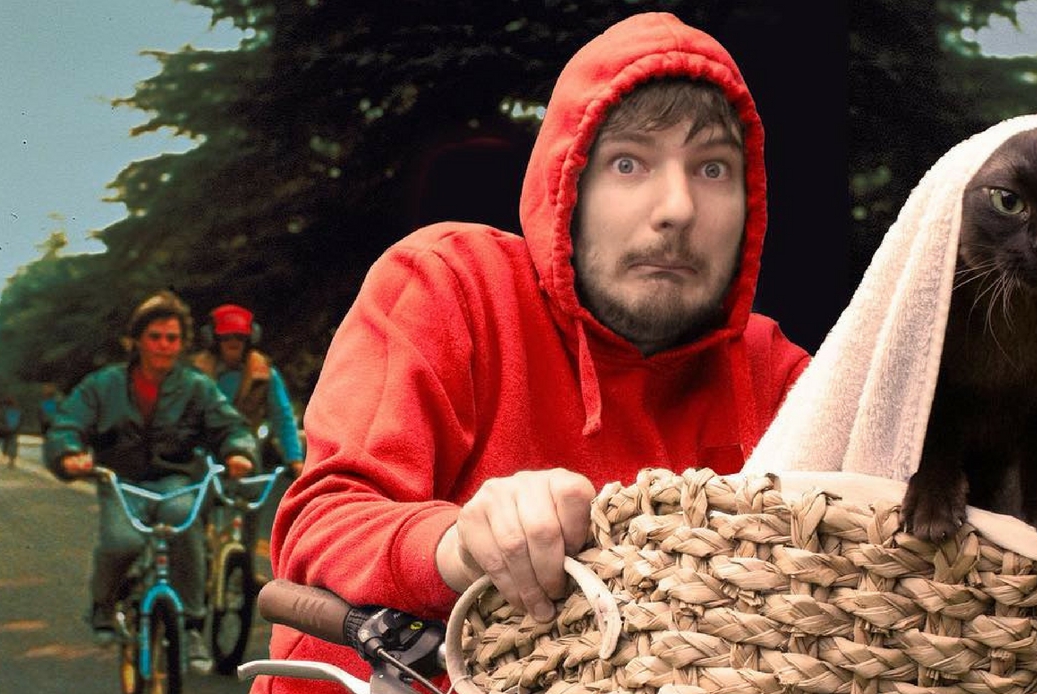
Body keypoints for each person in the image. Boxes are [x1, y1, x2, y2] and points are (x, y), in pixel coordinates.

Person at [257, 12, 811, 693]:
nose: (678, 208)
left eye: (713, 168)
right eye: (629, 163)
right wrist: (459, 545)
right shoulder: (449, 284)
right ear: (566, 186)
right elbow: (321, 521)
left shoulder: (777, 372)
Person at [44, 290, 259, 675]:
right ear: (136, 341)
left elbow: (231, 426)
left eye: (172, 338)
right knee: (122, 541)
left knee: (184, 526)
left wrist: (238, 452)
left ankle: (191, 626)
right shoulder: (103, 384)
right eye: (155, 336)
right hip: (121, 481)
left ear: (182, 343)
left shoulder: (197, 386)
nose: (164, 345)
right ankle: (103, 606)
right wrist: (68, 453)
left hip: (176, 479)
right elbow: (67, 424)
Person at [190, 303, 304, 476]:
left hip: (247, 453)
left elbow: (282, 417)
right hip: (203, 453)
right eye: (226, 337)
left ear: (250, 338)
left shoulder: (264, 373)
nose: (233, 342)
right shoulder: (194, 372)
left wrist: (295, 460)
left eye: (240, 337)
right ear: (213, 338)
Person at [0, 394, 22, 467]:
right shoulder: (14, 410)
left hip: (9, 430)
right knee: (8, 445)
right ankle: (10, 459)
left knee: (10, 444)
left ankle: (11, 461)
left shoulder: (15, 410)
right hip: (9, 430)